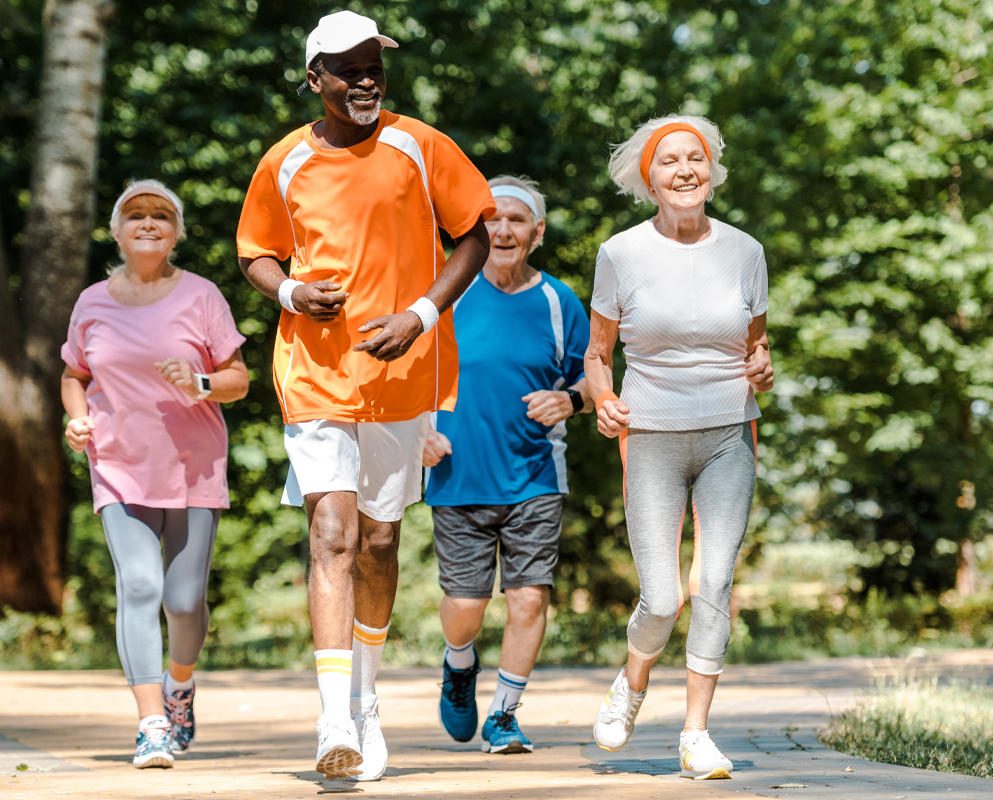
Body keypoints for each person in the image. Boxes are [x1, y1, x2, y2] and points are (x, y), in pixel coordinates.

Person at [235, 11, 495, 782]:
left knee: (381, 541)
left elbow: (474, 233)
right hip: (313, 373)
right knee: (334, 536)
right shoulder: (282, 161)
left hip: (402, 373)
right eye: (346, 68)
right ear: (314, 79)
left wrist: (421, 314)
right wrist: (286, 290)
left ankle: (369, 700)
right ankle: (332, 718)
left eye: (373, 65)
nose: (365, 79)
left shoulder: (422, 145)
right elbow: (255, 250)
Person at [583, 115, 775, 780]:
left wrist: (761, 367)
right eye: (670, 161)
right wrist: (603, 399)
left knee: (715, 583)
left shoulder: (746, 252)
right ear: (651, 177)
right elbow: (598, 354)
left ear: (712, 171)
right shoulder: (621, 254)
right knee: (662, 597)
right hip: (654, 434)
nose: (686, 169)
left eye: (696, 158)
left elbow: (756, 344)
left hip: (729, 432)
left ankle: (696, 735)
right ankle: (632, 684)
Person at [60, 179, 250, 769]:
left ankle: (179, 686)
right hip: (119, 466)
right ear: (116, 232)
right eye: (135, 215)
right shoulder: (92, 301)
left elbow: (238, 380)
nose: (148, 223)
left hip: (193, 467)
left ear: (177, 232)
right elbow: (74, 375)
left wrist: (198, 384)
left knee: (185, 599)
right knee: (140, 587)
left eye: (161, 215)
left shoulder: (201, 296)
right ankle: (150, 725)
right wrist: (77, 420)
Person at [422, 176, 592, 755]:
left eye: (517, 220)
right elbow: (406, 369)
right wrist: (418, 431)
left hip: (535, 475)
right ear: (475, 229)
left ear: (536, 233)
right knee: (466, 608)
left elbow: (590, 379)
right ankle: (459, 663)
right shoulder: (449, 292)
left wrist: (569, 399)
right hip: (456, 474)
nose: (502, 230)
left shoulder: (557, 301)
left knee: (529, 599)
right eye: (491, 219)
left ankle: (504, 714)